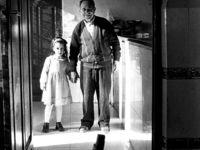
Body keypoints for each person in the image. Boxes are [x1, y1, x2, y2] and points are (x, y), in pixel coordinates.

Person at [69, 0, 121, 133]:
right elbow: (73, 51)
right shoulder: (78, 28)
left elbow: (115, 43)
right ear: (80, 10)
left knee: (104, 96)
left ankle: (104, 123)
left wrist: (117, 60)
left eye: (90, 9)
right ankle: (86, 122)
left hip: (104, 66)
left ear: (95, 9)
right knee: (87, 96)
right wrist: (72, 69)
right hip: (86, 67)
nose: (87, 12)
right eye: (84, 9)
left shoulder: (105, 24)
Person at [40, 37, 72, 133]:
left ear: (64, 49)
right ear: (53, 48)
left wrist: (72, 75)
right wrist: (43, 82)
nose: (59, 50)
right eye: (57, 48)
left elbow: (68, 71)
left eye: (62, 48)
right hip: (51, 85)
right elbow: (44, 71)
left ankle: (58, 123)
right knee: (49, 104)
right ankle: (46, 123)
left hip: (61, 85)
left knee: (59, 105)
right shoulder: (49, 59)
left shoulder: (65, 60)